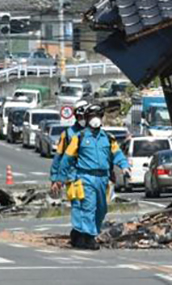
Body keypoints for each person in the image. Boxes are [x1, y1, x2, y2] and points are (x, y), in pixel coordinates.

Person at [60, 104, 130, 250]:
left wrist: (124, 166)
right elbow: (66, 158)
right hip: (85, 177)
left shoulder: (108, 138)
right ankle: (89, 237)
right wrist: (60, 178)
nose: (95, 119)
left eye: (98, 116)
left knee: (102, 209)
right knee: (88, 207)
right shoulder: (79, 137)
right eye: (92, 116)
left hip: (103, 179)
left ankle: (86, 233)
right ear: (87, 119)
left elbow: (117, 154)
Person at [50, 100, 87, 246]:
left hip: (91, 176)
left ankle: (89, 232)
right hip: (73, 177)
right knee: (77, 205)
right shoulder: (68, 134)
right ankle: (78, 233)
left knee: (93, 206)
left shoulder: (96, 133)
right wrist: (55, 178)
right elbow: (59, 157)